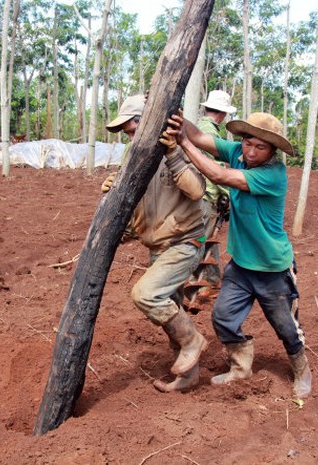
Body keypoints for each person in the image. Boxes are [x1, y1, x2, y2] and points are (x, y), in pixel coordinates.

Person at [165, 111, 312, 399]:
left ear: (272, 151)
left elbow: (218, 175)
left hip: (272, 268)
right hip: (242, 265)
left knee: (286, 327)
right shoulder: (237, 152)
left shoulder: (273, 174)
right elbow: (200, 137)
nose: (252, 151)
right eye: (248, 143)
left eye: (261, 147)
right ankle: (241, 367)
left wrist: (182, 142)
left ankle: (302, 369)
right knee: (223, 317)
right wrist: (178, 120)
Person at [102, 94, 208, 393]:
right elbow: (134, 220)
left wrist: (174, 152)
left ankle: (193, 341)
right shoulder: (133, 161)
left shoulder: (177, 149)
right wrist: (112, 193)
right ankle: (188, 376)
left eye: (135, 130)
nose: (132, 138)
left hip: (184, 242)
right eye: (128, 134)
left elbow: (197, 191)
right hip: (158, 248)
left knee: (146, 294)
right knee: (170, 309)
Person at [185, 91, 237, 304]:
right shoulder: (209, 132)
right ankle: (192, 281)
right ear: (223, 114)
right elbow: (213, 169)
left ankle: (212, 281)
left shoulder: (201, 127)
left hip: (202, 193)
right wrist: (227, 194)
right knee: (200, 239)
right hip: (207, 194)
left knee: (206, 238)